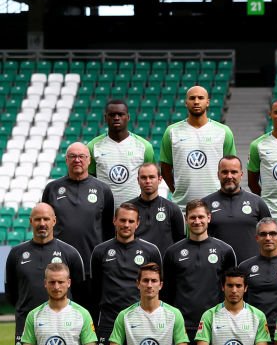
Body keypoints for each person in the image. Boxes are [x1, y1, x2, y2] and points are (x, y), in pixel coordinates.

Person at [5, 203, 85, 345]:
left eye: (46, 219)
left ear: (54, 221)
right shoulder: (16, 253)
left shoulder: (70, 253)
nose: (42, 223)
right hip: (27, 326)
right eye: (38, 219)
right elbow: (11, 293)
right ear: (30, 221)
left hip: (62, 325)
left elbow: (81, 292)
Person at [89, 203, 162, 345]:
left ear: (137, 223)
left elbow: (158, 288)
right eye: (122, 220)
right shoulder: (100, 251)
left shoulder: (150, 251)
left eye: (130, 221)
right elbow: (95, 290)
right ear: (114, 220)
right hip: (109, 323)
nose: (126, 225)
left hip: (142, 322)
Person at [161, 199, 237, 345]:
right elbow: (166, 292)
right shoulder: (172, 252)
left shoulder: (225, 251)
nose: (197, 221)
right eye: (193, 217)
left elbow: (232, 290)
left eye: (201, 217)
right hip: (182, 326)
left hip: (216, 324)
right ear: (186, 218)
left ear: (209, 217)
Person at [41, 142, 115, 273]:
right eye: (72, 156)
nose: (77, 160)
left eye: (82, 156)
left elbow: (108, 230)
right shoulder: (52, 189)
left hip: (92, 263)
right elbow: (45, 224)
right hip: (58, 264)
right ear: (66, 160)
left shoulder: (103, 190)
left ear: (89, 160)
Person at [160, 85, 236, 211]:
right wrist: (176, 191)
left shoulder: (223, 132)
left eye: (200, 98)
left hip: (216, 206)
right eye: (192, 98)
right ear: (186, 103)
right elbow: (166, 169)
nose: (196, 102)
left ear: (207, 102)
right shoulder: (172, 132)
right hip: (182, 206)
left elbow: (231, 168)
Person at [104, 263, 190, 345]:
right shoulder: (124, 315)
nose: (149, 285)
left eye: (154, 281)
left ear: (161, 285)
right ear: (138, 284)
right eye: (145, 280)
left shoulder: (174, 314)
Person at [17, 263, 97, 345]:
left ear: (68, 283)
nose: (56, 287)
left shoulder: (82, 314)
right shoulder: (34, 315)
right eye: (52, 282)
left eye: (60, 282)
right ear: (45, 283)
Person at [193, 267, 271, 345]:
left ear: (245, 288)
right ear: (223, 287)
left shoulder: (258, 316)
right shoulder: (209, 315)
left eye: (238, 286)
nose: (234, 290)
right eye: (230, 285)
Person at [203, 155, 271, 262]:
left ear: (241, 174)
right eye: (225, 172)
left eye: (234, 172)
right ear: (218, 175)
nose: (229, 176)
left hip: (251, 270)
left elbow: (270, 236)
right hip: (216, 268)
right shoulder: (205, 204)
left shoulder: (258, 203)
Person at [88, 99, 155, 205]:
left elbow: (150, 180)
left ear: (128, 117)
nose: (116, 118)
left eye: (120, 114)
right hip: (103, 211)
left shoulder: (145, 147)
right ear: (105, 118)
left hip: (135, 212)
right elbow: (89, 180)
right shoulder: (93, 146)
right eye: (112, 115)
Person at [129, 162, 186, 255]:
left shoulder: (173, 209)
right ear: (138, 180)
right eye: (143, 177)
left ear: (160, 179)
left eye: (151, 177)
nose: (148, 181)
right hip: (135, 264)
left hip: (163, 266)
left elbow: (180, 242)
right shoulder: (128, 209)